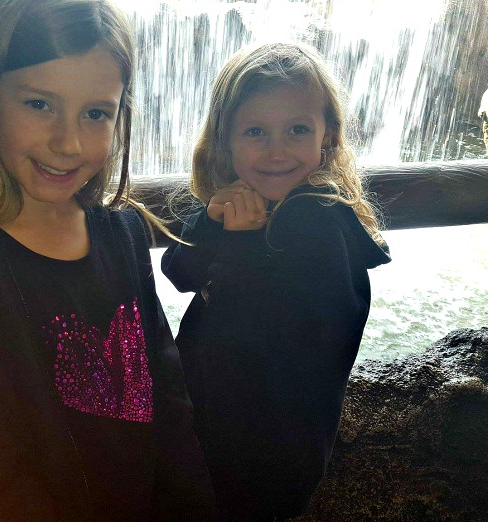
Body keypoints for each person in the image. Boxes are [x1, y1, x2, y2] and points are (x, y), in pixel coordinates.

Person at [0, 1, 215, 519]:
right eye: (39, 104)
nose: (68, 142)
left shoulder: (120, 233)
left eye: (96, 113)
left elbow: (169, 405)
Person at [162, 42, 391, 521]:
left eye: (297, 130)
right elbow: (179, 273)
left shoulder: (321, 221)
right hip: (212, 429)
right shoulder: (238, 200)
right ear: (224, 139)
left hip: (268, 454)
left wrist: (241, 247)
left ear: (327, 136)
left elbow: (297, 342)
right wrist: (211, 223)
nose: (276, 151)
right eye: (255, 132)